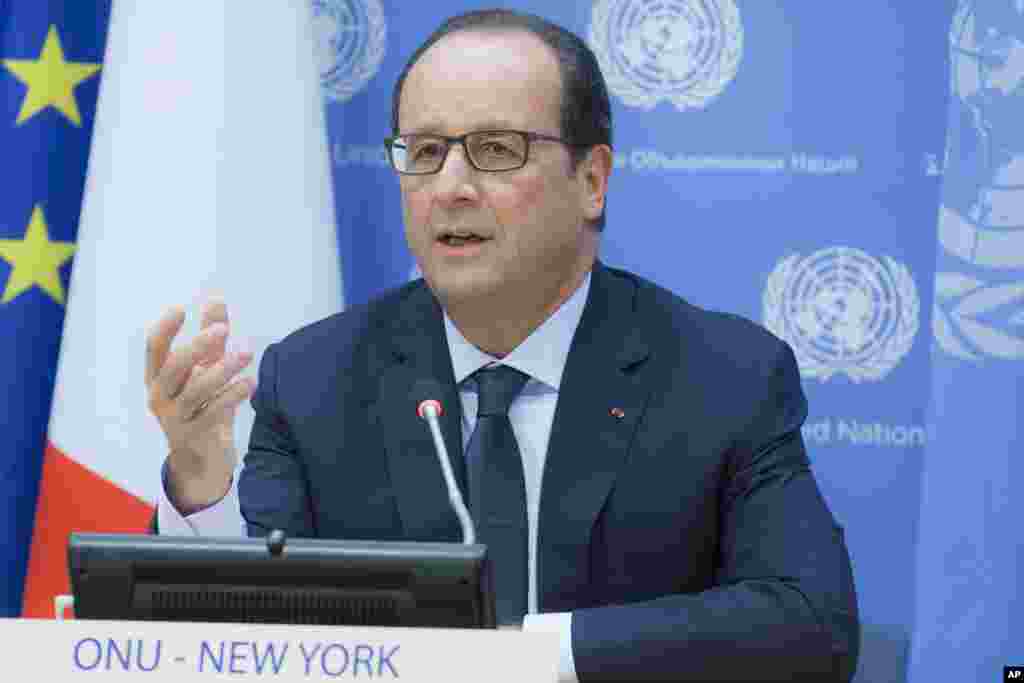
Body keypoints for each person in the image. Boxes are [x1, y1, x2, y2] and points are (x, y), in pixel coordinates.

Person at [145, 9, 859, 682]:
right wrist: (204, 480)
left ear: (592, 180)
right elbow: (249, 638)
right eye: (425, 152)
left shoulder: (723, 376)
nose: (451, 187)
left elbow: (809, 623)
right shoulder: (313, 379)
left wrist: (535, 653)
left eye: (494, 150)